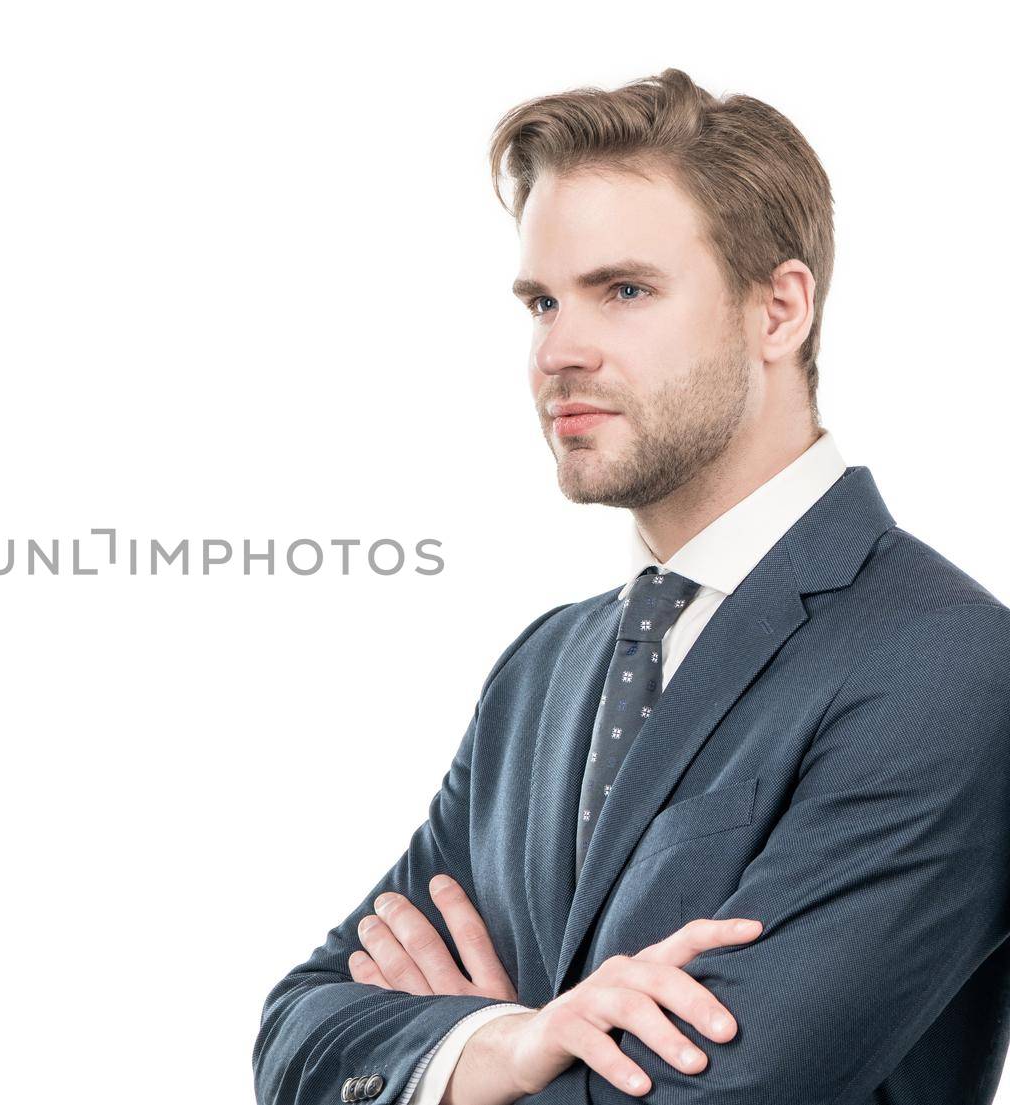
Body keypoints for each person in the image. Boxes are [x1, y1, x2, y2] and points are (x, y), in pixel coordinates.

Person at [251, 68, 1010, 1105]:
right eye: (541, 302)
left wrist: (448, 1052)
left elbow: (724, 1088)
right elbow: (299, 1029)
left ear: (778, 308)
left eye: (625, 291)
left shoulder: (946, 661)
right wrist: (509, 1041)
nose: (558, 351)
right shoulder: (544, 667)